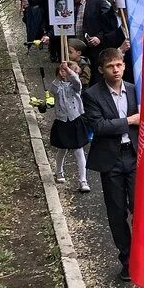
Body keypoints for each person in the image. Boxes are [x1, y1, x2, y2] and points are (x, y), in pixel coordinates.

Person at [82, 48, 138, 282]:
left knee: (140, 208)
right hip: (111, 159)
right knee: (116, 212)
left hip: (134, 156)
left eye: (119, 65)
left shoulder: (135, 90)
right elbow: (100, 126)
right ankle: (127, 259)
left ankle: (143, 256)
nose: (116, 70)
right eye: (110, 66)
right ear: (101, 70)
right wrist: (130, 120)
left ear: (124, 65)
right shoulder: (92, 94)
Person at [66, 0, 124, 87]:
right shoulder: (71, 5)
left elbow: (107, 26)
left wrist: (99, 37)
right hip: (80, 49)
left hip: (97, 50)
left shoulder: (98, 2)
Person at [50, 61, 90, 193]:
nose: (69, 74)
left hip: (75, 120)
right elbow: (53, 89)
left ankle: (83, 180)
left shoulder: (75, 87)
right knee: (62, 149)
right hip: (62, 121)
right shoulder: (57, 87)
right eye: (64, 71)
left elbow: (77, 82)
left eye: (73, 72)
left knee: (79, 150)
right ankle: (59, 171)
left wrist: (69, 70)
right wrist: (59, 76)